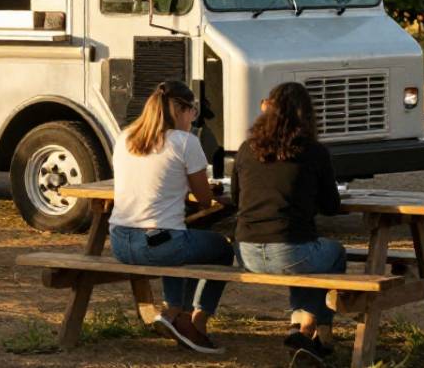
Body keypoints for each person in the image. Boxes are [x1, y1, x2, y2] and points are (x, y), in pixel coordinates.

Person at [109, 80, 232, 355]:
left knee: (176, 233)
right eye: (193, 112)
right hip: (157, 243)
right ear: (180, 110)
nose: (194, 119)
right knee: (221, 249)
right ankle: (192, 319)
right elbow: (203, 200)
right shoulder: (185, 142)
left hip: (119, 240)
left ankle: (174, 311)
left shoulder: (125, 137)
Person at [232, 82, 345, 363]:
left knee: (306, 252)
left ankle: (301, 326)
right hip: (290, 250)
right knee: (332, 254)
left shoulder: (247, 149)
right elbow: (332, 207)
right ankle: (309, 328)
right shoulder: (315, 152)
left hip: (245, 251)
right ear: (307, 115)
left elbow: (236, 198)